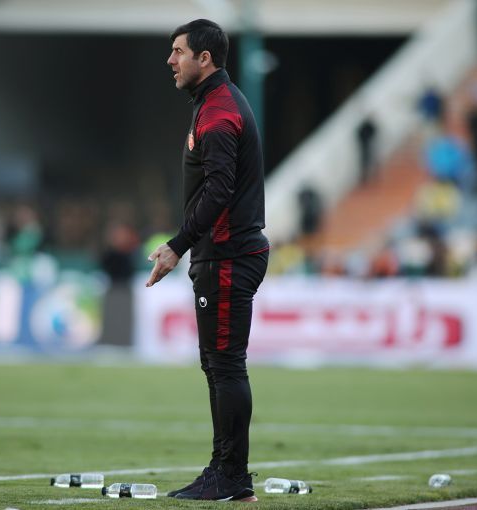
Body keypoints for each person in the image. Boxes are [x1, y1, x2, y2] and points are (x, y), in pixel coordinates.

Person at [146, 19, 269, 502]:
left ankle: (231, 475)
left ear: (205, 58)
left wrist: (177, 244)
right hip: (224, 253)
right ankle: (225, 471)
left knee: (225, 365)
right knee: (219, 364)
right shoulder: (214, 103)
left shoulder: (219, 111)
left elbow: (218, 190)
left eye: (178, 51)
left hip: (228, 254)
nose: (170, 60)